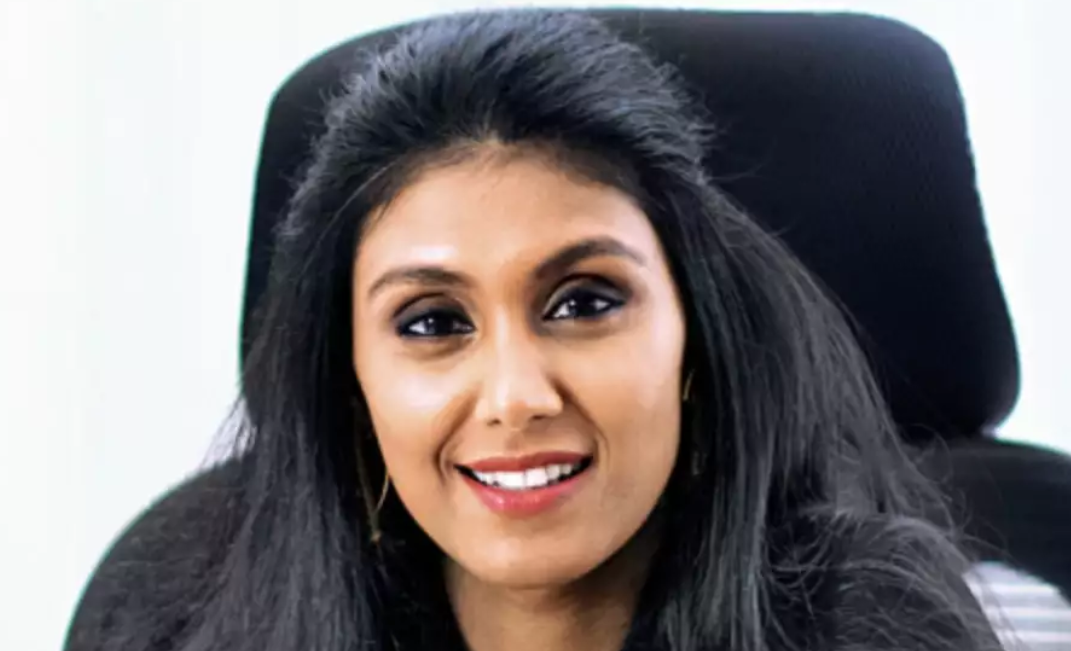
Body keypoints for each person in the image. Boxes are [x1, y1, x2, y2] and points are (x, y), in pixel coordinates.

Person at [66, 9, 1002, 651]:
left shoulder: (867, 623)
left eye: (584, 303)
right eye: (433, 321)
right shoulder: (183, 617)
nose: (516, 396)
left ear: (693, 335)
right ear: (350, 379)